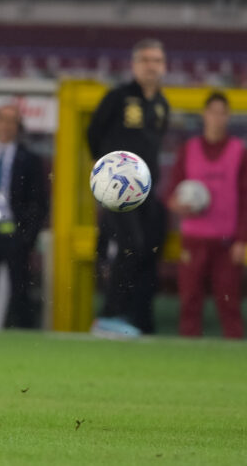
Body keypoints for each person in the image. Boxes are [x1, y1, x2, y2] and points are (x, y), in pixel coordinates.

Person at [88, 38, 169, 338]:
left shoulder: (161, 104)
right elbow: (93, 133)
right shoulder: (118, 97)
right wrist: (106, 177)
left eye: (157, 60)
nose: (152, 66)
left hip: (148, 192)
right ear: (134, 65)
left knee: (149, 248)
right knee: (130, 244)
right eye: (146, 60)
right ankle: (109, 316)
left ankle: (139, 319)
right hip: (118, 193)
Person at [166, 92, 246, 339]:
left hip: (227, 241)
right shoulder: (188, 149)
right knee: (189, 300)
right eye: (213, 112)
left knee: (229, 302)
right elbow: (171, 193)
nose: (217, 118)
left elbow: (245, 198)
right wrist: (178, 204)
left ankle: (235, 354)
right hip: (194, 238)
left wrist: (242, 240)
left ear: (228, 117)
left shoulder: (239, 151)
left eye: (222, 113)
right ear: (205, 115)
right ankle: (187, 355)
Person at [0, 104, 48, 329]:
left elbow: (39, 201)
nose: (6, 126)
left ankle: (21, 335)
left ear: (18, 127)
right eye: (2, 120)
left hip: (13, 231)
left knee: (19, 289)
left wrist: (28, 236)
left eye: (12, 121)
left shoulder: (30, 159)